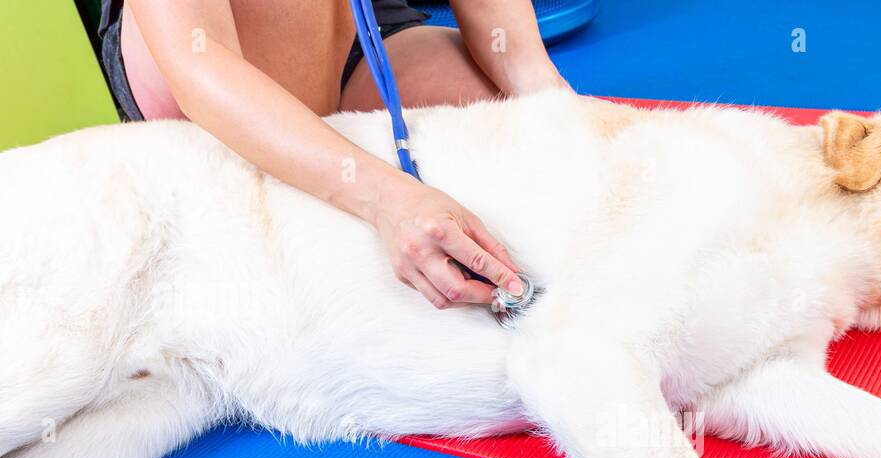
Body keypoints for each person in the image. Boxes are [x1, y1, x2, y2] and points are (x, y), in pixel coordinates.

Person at [99, 1, 570, 308]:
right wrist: (389, 200)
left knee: (508, 133)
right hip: (210, 42)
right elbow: (196, 57)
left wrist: (548, 97)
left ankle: (326, 152)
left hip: (353, 27)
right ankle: (309, 161)